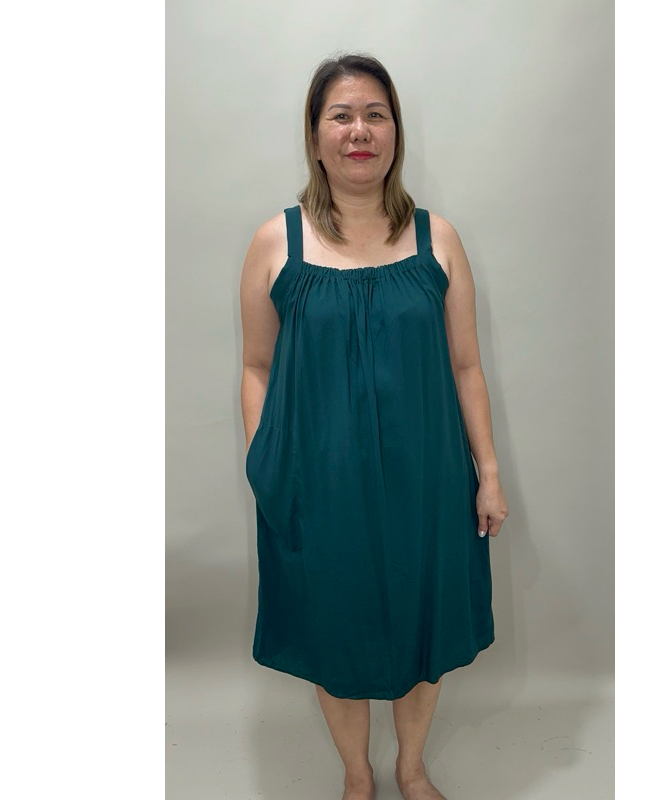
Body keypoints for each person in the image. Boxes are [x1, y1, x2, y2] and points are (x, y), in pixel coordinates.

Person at [239, 52, 509, 800]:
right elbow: (256, 366)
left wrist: (488, 474)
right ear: (315, 134)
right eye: (341, 116)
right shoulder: (276, 243)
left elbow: (466, 367)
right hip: (318, 489)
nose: (359, 131)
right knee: (335, 630)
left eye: (375, 115)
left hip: (427, 483)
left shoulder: (437, 239)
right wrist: (268, 464)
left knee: (423, 628)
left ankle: (410, 768)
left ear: (395, 131)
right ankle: (357, 774)